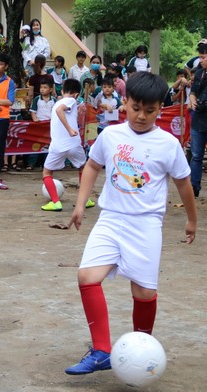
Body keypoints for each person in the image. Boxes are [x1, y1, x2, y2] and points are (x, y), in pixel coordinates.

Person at [64, 71, 197, 375]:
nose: (141, 116)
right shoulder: (110, 136)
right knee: (87, 277)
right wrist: (80, 205)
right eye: (136, 108)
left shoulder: (167, 143)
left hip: (146, 224)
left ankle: (141, 350)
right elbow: (92, 166)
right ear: (125, 103)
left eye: (150, 111)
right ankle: (101, 350)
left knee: (144, 294)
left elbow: (184, 184)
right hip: (110, 218)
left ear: (159, 110)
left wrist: (191, 219)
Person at [40, 78, 95, 211]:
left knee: (47, 173)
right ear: (76, 94)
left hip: (58, 146)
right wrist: (70, 129)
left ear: (63, 90)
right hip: (73, 144)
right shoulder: (71, 100)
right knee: (83, 168)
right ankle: (85, 199)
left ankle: (55, 202)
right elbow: (61, 110)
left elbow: (59, 109)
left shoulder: (58, 103)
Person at [0, 53, 16, 173]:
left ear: (5, 66)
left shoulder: (9, 81)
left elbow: (10, 101)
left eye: (0, 64)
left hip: (2, 118)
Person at [188, 41, 207, 198]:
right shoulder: (200, 73)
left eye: (204, 57)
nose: (201, 60)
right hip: (198, 120)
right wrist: (193, 100)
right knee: (196, 155)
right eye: (200, 57)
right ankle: (194, 187)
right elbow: (193, 91)